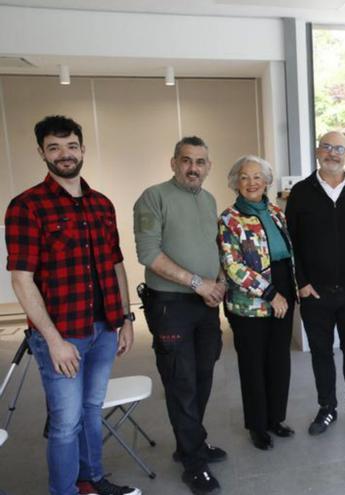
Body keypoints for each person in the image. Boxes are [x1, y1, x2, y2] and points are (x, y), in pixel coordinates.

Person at [5, 115, 141, 495]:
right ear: (41, 153)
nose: (64, 154)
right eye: (54, 147)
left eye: (71, 146)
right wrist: (53, 340)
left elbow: (115, 263)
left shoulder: (101, 204)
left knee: (91, 411)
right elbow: (21, 279)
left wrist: (126, 318)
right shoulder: (27, 206)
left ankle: (91, 480)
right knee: (65, 422)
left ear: (82, 148)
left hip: (103, 329)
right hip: (61, 335)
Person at [133, 136, 226, 495]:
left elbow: (210, 247)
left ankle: (192, 444)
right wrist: (197, 283)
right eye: (186, 160)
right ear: (173, 162)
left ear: (208, 167)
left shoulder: (208, 200)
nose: (193, 168)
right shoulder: (153, 197)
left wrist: (216, 282)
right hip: (170, 305)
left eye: (200, 162)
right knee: (181, 381)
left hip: (205, 305)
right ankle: (193, 462)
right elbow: (148, 253)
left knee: (202, 376)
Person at [285, 131, 345, 435]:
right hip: (315, 294)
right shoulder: (301, 192)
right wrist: (301, 283)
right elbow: (292, 244)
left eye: (340, 149)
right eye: (327, 147)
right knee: (321, 353)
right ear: (317, 152)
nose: (333, 153)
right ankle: (327, 407)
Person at [218, 155, 296, 451]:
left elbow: (288, 254)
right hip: (250, 303)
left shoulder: (277, 212)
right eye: (245, 177)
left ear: (266, 181)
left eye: (257, 177)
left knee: (279, 361)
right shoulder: (229, 219)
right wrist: (270, 294)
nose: (252, 183)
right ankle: (257, 425)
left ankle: (276, 418)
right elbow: (233, 267)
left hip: (283, 293)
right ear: (236, 182)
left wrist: (291, 291)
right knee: (253, 365)